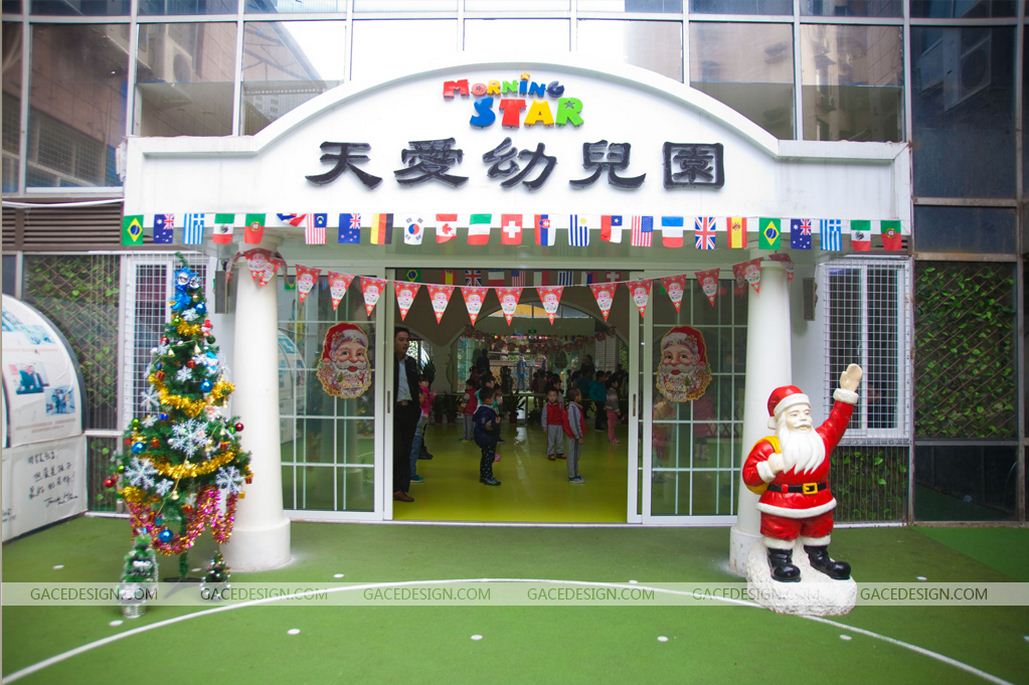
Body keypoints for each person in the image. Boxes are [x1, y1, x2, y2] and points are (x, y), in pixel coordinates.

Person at [742, 365, 862, 583]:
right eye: (795, 414)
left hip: (818, 500)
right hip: (782, 503)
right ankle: (779, 559)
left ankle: (819, 557)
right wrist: (768, 468)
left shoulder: (820, 440)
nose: (803, 418)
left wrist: (846, 395)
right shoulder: (769, 447)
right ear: (781, 419)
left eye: (806, 413)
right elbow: (749, 476)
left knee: (819, 530)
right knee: (780, 531)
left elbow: (837, 422)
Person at [392, 327, 420, 502]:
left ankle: (402, 488)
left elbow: (415, 386)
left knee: (406, 451)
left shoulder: (411, 363)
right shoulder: (387, 362)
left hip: (409, 410)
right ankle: (393, 487)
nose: (405, 343)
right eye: (401, 339)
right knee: (397, 450)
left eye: (407, 340)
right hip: (392, 411)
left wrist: (417, 409)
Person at [473, 386, 501, 486]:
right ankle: (487, 477)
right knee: (488, 459)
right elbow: (486, 425)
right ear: (488, 399)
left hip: (486, 438)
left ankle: (483, 475)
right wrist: (495, 423)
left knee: (485, 457)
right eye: (493, 398)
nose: (495, 400)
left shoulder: (483, 409)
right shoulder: (485, 411)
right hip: (487, 439)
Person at [409, 378, 435, 484]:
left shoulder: (418, 408)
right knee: (413, 454)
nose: (424, 397)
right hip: (415, 435)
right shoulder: (416, 410)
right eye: (421, 396)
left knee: (413, 454)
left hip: (417, 434)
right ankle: (411, 474)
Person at [564, 388, 586, 483]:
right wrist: (578, 436)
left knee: (575, 455)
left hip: (574, 436)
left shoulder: (575, 407)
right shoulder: (573, 409)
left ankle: (575, 473)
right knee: (573, 455)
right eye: (579, 394)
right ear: (575, 397)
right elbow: (574, 423)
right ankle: (572, 476)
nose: (581, 396)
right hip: (574, 436)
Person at [541, 388, 566, 461]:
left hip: (560, 425)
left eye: (554, 395)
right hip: (551, 425)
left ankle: (559, 452)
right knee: (551, 440)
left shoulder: (560, 405)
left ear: (557, 397)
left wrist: (564, 424)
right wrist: (544, 426)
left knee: (560, 439)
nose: (552, 397)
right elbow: (544, 416)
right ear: (547, 396)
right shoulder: (546, 406)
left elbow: (563, 415)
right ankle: (550, 453)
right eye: (550, 395)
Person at [459, 377, 477, 441]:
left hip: (467, 411)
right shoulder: (476, 392)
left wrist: (460, 410)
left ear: (470, 386)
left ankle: (467, 437)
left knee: (467, 425)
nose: (466, 386)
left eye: (466, 385)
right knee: (473, 425)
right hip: (474, 411)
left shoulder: (468, 393)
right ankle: (473, 436)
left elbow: (464, 403)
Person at [604, 378, 621, 445]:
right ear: (612, 384)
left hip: (609, 410)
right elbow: (614, 402)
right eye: (616, 382)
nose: (617, 384)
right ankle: (612, 439)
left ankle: (611, 437)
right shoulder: (612, 392)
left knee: (611, 425)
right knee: (612, 425)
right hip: (612, 410)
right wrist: (617, 410)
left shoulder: (609, 391)